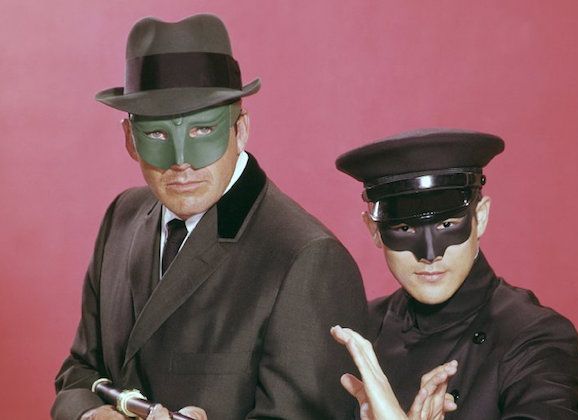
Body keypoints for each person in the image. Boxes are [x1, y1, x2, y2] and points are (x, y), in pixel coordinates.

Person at [52, 14, 367, 420]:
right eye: (158, 135)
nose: (182, 163)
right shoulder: (121, 219)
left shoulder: (306, 259)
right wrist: (91, 416)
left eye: (202, 131)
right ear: (130, 139)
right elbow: (79, 372)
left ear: (241, 129)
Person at [332, 129, 578, 419]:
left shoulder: (536, 339)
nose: (430, 254)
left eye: (446, 225)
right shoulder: (360, 334)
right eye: (405, 229)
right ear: (374, 230)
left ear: (480, 216)